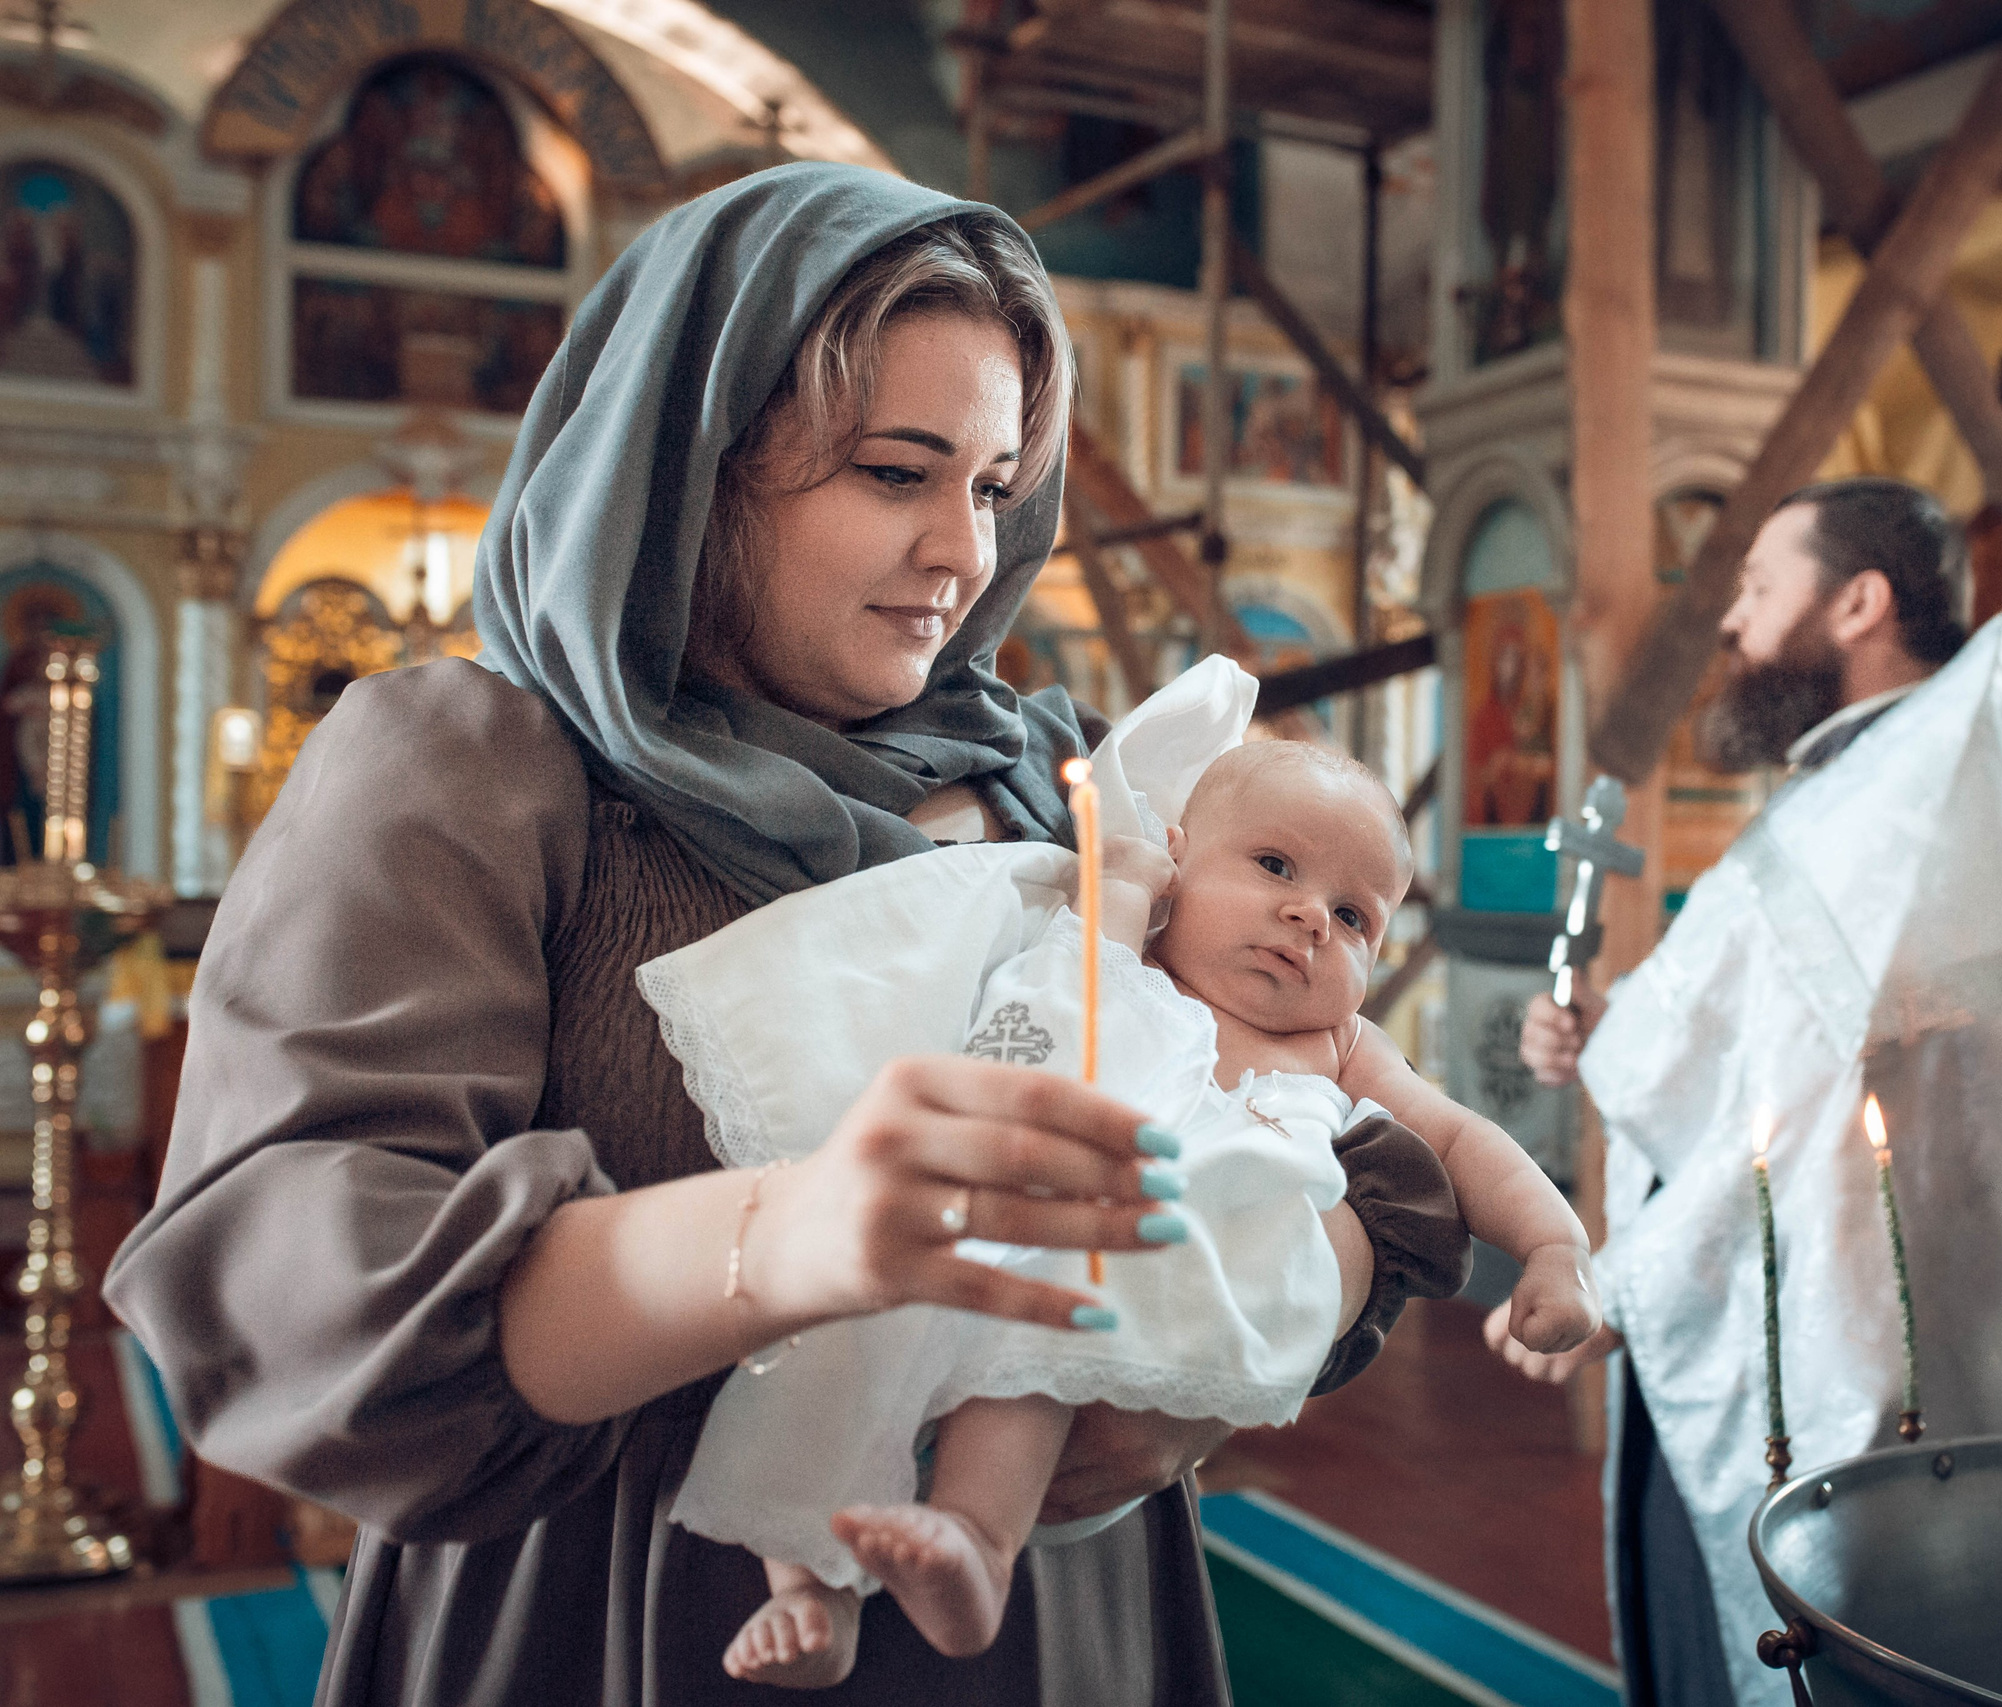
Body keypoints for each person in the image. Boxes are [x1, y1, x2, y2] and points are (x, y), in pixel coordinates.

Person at [104, 163, 1468, 1707]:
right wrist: (779, 1234)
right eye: (897, 471)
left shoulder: (1068, 781)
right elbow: (289, 1288)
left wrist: (1209, 1364)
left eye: (995, 485)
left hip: (1060, 1622)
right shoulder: (479, 767)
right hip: (635, 1614)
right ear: (687, 459)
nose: (962, 550)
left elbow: (1350, 1123)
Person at [642, 676, 1602, 1686]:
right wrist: (1119, 904)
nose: (1306, 916)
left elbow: (1462, 1142)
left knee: (1041, 1352)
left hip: (1138, 1274)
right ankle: (808, 1593)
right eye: (1274, 864)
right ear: (1178, 857)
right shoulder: (1117, 955)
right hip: (1007, 1215)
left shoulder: (1339, 1045)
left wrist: (1552, 1247)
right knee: (835, 1340)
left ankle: (975, 1541)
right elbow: (1034, 1023)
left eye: (1354, 916)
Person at [1499, 478, 2002, 1707]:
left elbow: (1812, 1111)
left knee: (1782, 1643)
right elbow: (1783, 1047)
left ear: (1858, 601)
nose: (1732, 623)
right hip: (1854, 1307)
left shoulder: (1879, 813)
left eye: (1761, 587)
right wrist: (1611, 1036)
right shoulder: (1892, 787)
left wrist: (1615, 1285)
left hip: (1820, 1340)